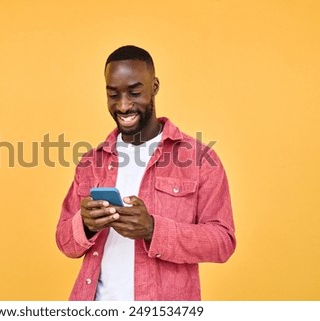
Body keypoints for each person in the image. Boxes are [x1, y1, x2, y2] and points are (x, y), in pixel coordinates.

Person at [55, 45, 236, 301]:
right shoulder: (91, 161)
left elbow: (223, 242)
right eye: (113, 94)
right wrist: (84, 225)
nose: (124, 105)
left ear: (154, 87)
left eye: (135, 92)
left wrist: (153, 229)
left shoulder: (200, 159)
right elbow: (64, 242)